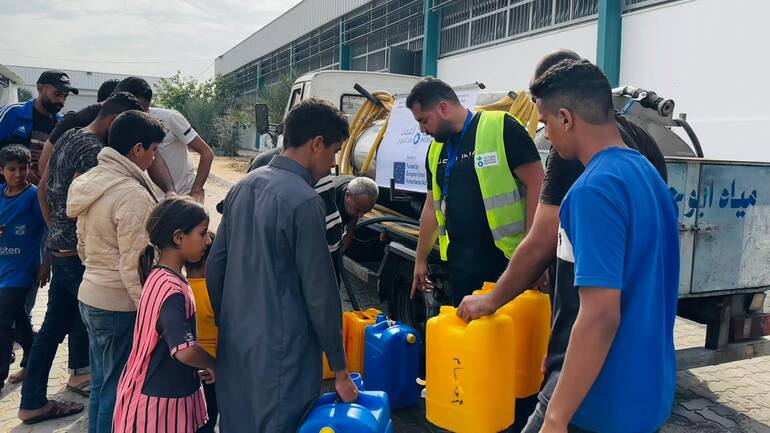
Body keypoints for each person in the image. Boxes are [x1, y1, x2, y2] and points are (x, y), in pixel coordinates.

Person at [455, 51, 671, 433]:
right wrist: (558, 354)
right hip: (647, 394)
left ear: (566, 118)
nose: (546, 135)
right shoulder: (648, 175)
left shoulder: (592, 191)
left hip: (595, 401)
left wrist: (556, 414)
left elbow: (600, 315)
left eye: (544, 123)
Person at [207, 98, 358, 432]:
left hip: (236, 342)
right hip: (283, 352)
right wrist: (340, 369)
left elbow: (216, 268)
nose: (333, 163)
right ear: (316, 144)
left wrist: (228, 322)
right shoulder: (304, 201)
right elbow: (321, 293)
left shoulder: (243, 186)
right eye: (333, 151)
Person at [406, 77, 544, 431]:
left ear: (443, 107)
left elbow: (537, 183)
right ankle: (479, 413)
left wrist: (533, 252)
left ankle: (516, 419)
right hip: (464, 265)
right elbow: (430, 206)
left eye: (424, 121)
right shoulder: (437, 150)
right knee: (479, 349)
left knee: (514, 354)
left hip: (508, 265)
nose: (423, 130)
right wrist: (421, 259)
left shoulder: (500, 128)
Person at [17, 92, 144, 425]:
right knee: (108, 359)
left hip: (62, 251)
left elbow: (43, 186)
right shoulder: (94, 153)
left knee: (54, 327)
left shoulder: (71, 136)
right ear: (117, 122)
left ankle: (32, 401)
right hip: (81, 255)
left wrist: (54, 232)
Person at [66, 110, 165, 433]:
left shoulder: (92, 182)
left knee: (102, 385)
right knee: (118, 390)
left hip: (92, 295)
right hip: (118, 305)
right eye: (152, 150)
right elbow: (135, 266)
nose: (153, 158)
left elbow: (82, 245)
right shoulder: (131, 194)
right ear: (137, 149)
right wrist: (151, 314)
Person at [113, 197, 215, 433]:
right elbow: (185, 350)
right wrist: (213, 363)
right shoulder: (171, 289)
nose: (208, 241)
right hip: (159, 409)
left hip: (158, 395)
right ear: (179, 237)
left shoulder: (159, 277)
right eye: (202, 234)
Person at [0, 145, 48, 391]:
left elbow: (50, 228)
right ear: (2, 171)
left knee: (3, 319)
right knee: (17, 316)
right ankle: (32, 353)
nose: (18, 174)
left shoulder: (33, 196)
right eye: (12, 169)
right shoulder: (0, 193)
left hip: (23, 270)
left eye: (23, 168)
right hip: (3, 267)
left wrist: (46, 264)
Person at [0, 70, 78, 184]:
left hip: (39, 196)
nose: (61, 101)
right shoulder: (12, 113)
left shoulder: (63, 125)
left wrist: (47, 158)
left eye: (65, 96)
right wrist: (22, 172)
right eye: (57, 94)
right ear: (40, 88)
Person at [185, 232, 218, 432]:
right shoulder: (214, 291)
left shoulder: (182, 288)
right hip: (214, 366)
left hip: (191, 365)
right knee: (210, 415)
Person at [150, 106, 214, 202]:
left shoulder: (170, 118)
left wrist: (196, 190)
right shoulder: (126, 123)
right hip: (152, 201)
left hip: (183, 196)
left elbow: (207, 153)